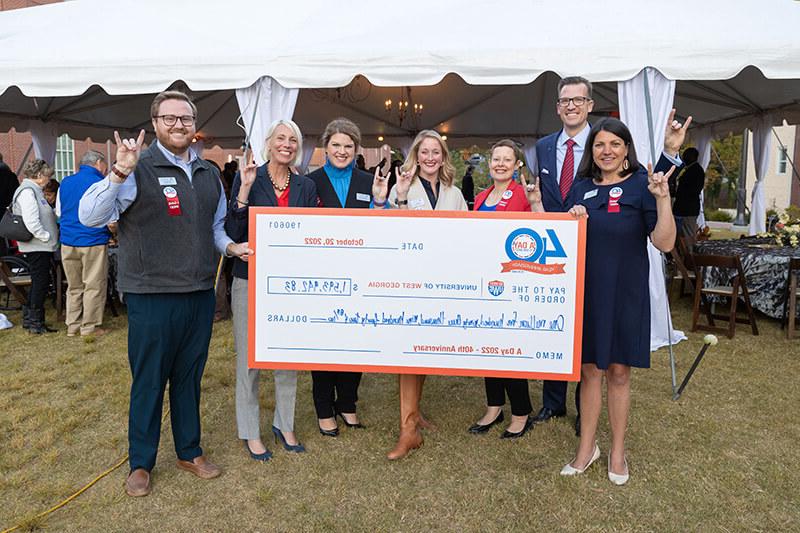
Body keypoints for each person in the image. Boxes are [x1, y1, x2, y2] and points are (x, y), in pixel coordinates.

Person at [79, 90, 251, 497]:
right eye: (170, 118)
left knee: (189, 378)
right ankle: (141, 462)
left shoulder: (209, 173)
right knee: (149, 380)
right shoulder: (138, 167)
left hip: (198, 293)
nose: (179, 125)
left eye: (186, 118)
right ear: (154, 122)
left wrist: (231, 247)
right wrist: (119, 172)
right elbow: (90, 216)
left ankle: (189, 451)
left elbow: (214, 229)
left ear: (195, 124)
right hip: (151, 294)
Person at [527, 117, 678, 485]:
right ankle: (586, 449)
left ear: (626, 150)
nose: (606, 151)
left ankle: (618, 452)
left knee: (619, 372)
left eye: (614, 144)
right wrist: (565, 215)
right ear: (591, 152)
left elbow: (665, 242)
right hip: (589, 291)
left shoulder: (643, 185)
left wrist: (664, 200)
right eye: (599, 145)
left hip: (626, 291)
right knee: (590, 371)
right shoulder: (580, 188)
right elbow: (559, 240)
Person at [226, 119, 317, 460]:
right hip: (249, 278)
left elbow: (310, 234)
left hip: (288, 284)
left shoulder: (305, 187)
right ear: (268, 142)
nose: (287, 144)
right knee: (249, 357)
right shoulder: (248, 176)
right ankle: (251, 430)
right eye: (281, 138)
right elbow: (232, 229)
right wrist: (245, 190)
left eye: (293, 139)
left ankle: (285, 423)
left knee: (286, 354)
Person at [378, 129, 468, 460]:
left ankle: (415, 413)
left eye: (436, 152)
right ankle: (407, 430)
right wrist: (399, 197)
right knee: (407, 352)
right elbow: (388, 227)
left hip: (441, 280)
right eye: (424, 152)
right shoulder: (403, 187)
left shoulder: (454, 193)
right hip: (407, 279)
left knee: (425, 348)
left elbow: (466, 234)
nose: (430, 158)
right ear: (416, 156)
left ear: (443, 157)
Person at [307, 117, 374, 436]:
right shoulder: (309, 182)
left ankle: (347, 403)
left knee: (355, 341)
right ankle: (324, 408)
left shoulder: (368, 181)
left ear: (357, 149)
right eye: (336, 145)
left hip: (360, 274)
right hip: (321, 275)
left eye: (349, 146)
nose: (342, 151)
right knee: (324, 341)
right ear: (325, 146)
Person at [469, 140, 533, 438]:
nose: (501, 164)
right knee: (488, 348)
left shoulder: (523, 195)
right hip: (485, 281)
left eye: (508, 159)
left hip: (513, 279)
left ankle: (521, 411)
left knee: (510, 349)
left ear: (517, 164)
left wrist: (536, 204)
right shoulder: (481, 197)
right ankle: (494, 406)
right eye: (496, 158)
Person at [55, 150, 112, 337]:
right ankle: (90, 326)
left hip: (68, 240)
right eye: (104, 165)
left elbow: (59, 212)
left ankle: (72, 325)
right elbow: (109, 215)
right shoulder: (101, 183)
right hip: (92, 239)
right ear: (97, 162)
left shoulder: (65, 182)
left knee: (74, 286)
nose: (106, 169)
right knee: (93, 284)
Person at [12, 159, 58, 334]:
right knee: (40, 283)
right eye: (47, 176)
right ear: (39, 175)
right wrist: (45, 236)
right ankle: (35, 322)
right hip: (37, 245)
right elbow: (32, 221)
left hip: (38, 245)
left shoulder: (33, 191)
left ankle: (30, 319)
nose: (48, 180)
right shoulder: (28, 192)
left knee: (38, 282)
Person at [671, 147, 705, 248]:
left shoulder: (696, 170)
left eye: (686, 155)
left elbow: (691, 190)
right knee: (679, 235)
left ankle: (689, 256)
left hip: (688, 209)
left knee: (688, 235)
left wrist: (678, 191)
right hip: (682, 208)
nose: (684, 157)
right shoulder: (689, 169)